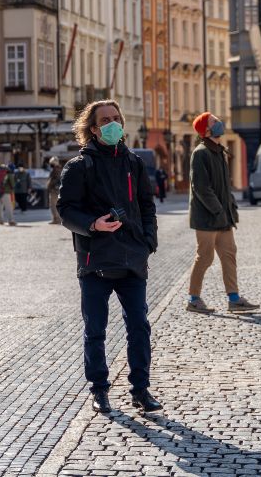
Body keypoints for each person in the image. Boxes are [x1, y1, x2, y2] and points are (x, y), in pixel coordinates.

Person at [58, 99, 163, 415]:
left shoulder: (133, 162)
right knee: (95, 330)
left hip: (132, 258)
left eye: (116, 118)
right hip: (94, 261)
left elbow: (146, 205)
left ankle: (141, 390)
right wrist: (93, 224)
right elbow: (65, 210)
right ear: (92, 128)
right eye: (105, 120)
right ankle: (100, 390)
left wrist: (148, 242)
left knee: (139, 327)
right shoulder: (79, 166)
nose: (112, 124)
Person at [186, 112, 259, 315]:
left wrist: (230, 207)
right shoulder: (200, 153)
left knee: (229, 255)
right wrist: (218, 209)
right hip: (207, 218)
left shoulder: (219, 151)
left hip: (223, 217)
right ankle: (193, 298)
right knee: (205, 257)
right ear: (206, 130)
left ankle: (234, 298)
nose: (219, 122)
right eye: (214, 121)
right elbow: (201, 187)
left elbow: (224, 187)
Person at [47, 157, 63, 225]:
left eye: (51, 163)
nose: (51, 164)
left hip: (54, 190)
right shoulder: (58, 169)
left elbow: (55, 180)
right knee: (55, 205)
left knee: (53, 205)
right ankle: (57, 219)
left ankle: (56, 219)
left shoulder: (56, 169)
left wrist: (50, 184)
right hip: (56, 189)